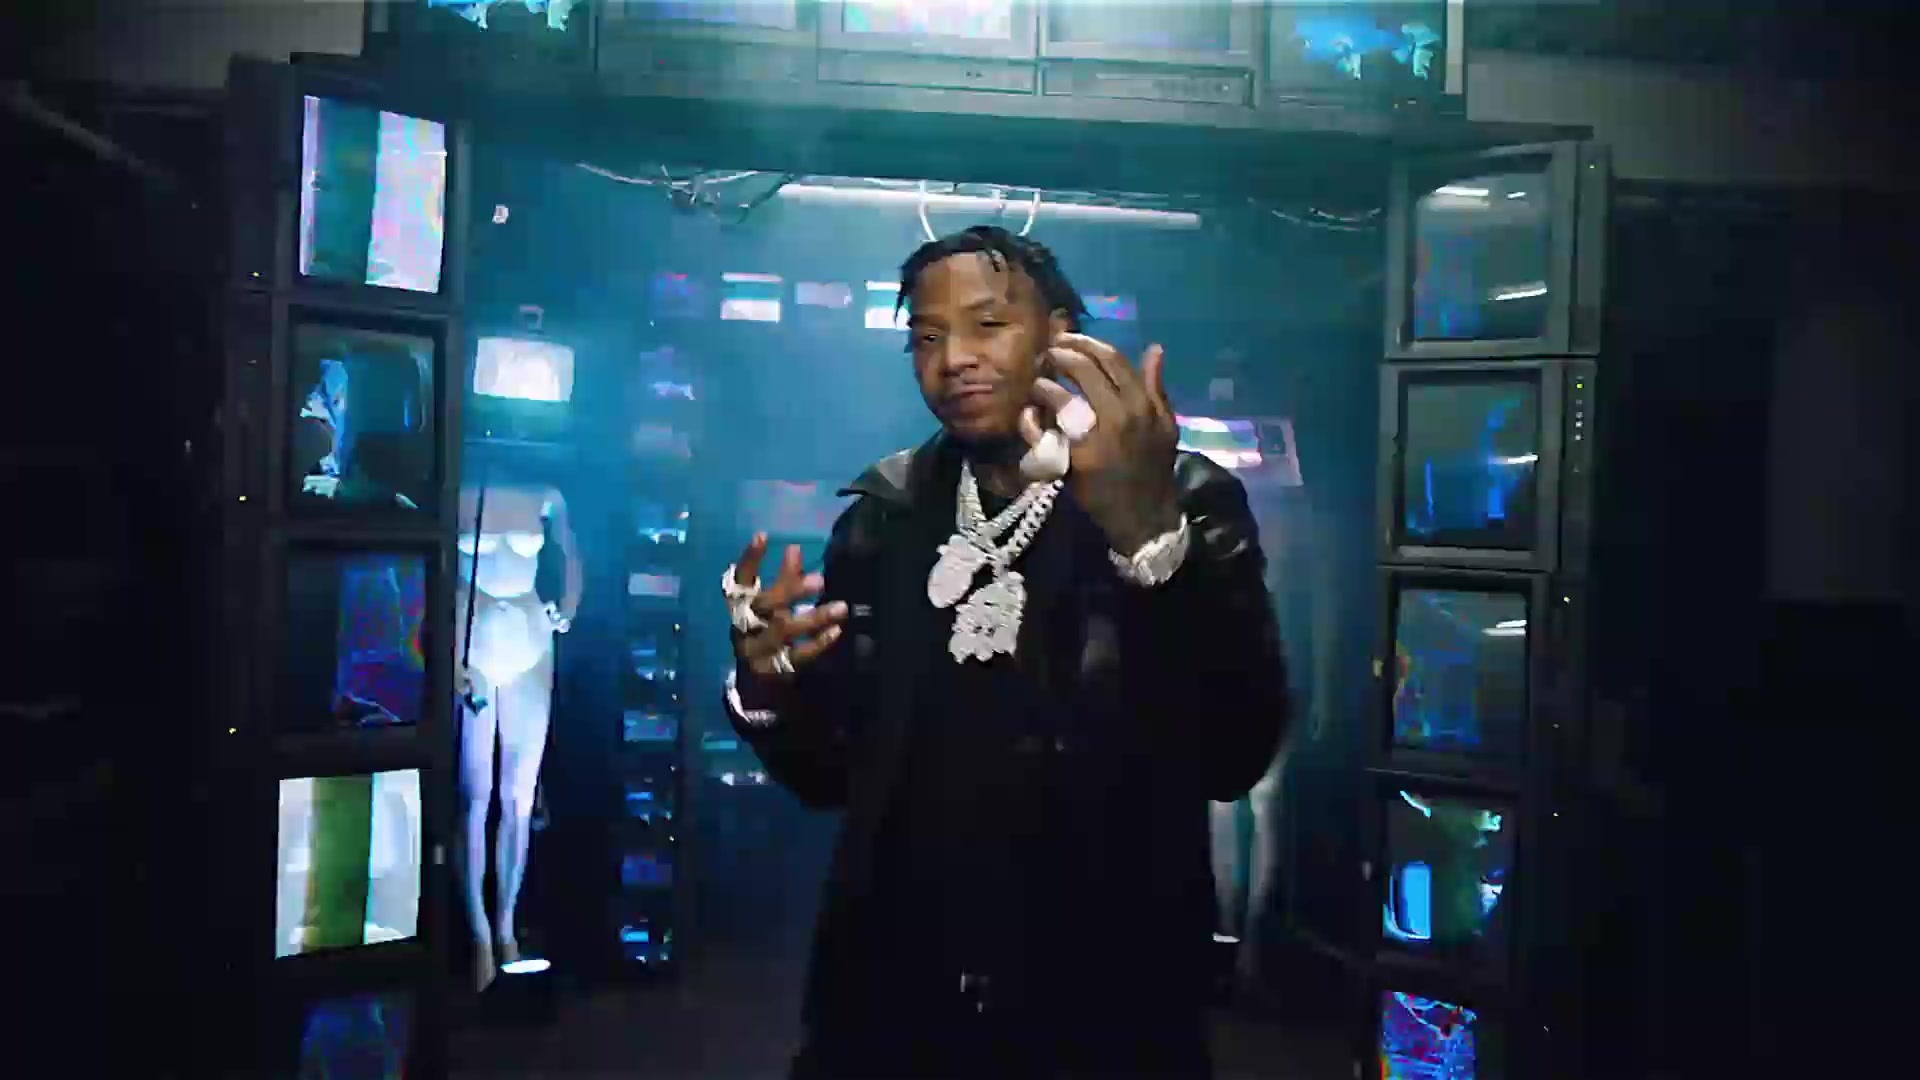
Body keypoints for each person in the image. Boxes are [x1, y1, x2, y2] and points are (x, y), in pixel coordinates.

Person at [720, 225, 1291, 1079]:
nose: (953, 359)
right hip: (891, 998)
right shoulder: (885, 517)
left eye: (987, 325)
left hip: (1104, 1006)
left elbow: (1234, 751)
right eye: (927, 337)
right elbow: (833, 777)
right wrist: (768, 690)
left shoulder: (1180, 495)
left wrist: (1150, 542)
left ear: (1059, 334)